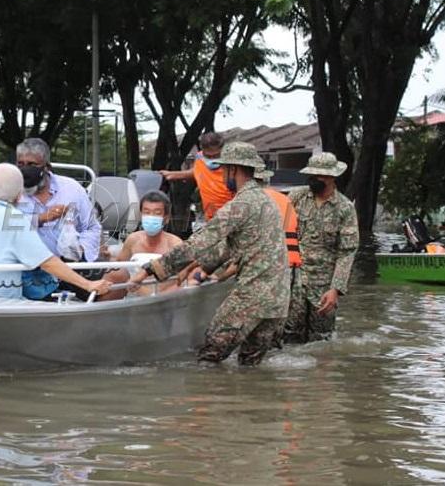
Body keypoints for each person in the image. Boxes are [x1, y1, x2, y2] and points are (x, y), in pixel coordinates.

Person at [132, 142, 289, 366]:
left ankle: (208, 401)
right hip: (278, 302)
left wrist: (153, 269)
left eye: (224, 170)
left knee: (208, 359)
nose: (222, 175)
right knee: (250, 367)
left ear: (233, 170)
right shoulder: (267, 202)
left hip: (252, 298)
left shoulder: (241, 204)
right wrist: (202, 269)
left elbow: (199, 242)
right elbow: (229, 247)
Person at [0, 163, 111, 300]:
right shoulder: (15, 220)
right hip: (2, 300)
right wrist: (88, 284)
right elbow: (47, 262)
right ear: (19, 196)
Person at [285, 152, 359, 343]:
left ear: (332, 177)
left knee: (322, 342)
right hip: (294, 281)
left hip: (324, 287)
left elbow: (347, 251)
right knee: (289, 337)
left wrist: (336, 289)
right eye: (312, 175)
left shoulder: (344, 208)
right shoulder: (297, 198)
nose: (314, 180)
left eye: (320, 176)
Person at [16, 137, 102, 261]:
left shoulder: (72, 189)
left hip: (69, 267)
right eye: (20, 164)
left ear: (47, 167)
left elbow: (92, 227)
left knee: (118, 274)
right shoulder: (10, 190)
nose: (25, 169)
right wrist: (41, 219)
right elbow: (2, 227)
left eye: (32, 164)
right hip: (23, 267)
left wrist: (81, 249)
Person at [102, 191, 183, 297]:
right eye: (147, 212)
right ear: (141, 215)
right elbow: (120, 265)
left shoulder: (175, 244)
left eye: (157, 213)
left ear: (166, 218)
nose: (151, 217)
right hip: (134, 297)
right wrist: (109, 256)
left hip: (164, 299)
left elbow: (183, 278)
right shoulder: (133, 239)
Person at [159, 132, 234, 220]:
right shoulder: (200, 158)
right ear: (202, 150)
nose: (212, 159)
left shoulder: (233, 163)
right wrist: (173, 174)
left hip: (232, 214)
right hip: (209, 216)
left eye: (216, 156)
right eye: (208, 156)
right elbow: (197, 171)